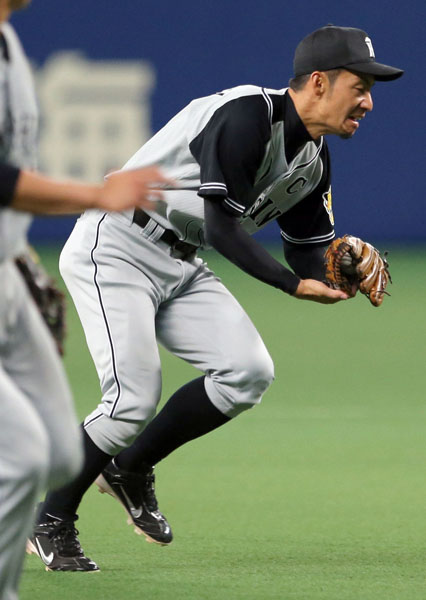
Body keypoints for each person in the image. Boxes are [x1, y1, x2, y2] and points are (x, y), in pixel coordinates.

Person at [29, 25, 403, 572]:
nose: (368, 102)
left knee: (247, 372)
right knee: (131, 400)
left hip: (182, 259)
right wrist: (290, 285)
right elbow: (224, 229)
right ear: (319, 82)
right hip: (117, 245)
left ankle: (129, 467)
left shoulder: (313, 159)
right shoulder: (248, 115)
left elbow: (307, 249)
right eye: (360, 86)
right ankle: (50, 518)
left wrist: (337, 263)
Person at [0, 0, 170, 595]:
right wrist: (98, 195)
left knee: (54, 448)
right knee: (24, 452)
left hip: (7, 274)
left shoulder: (10, 43)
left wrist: (20, 261)